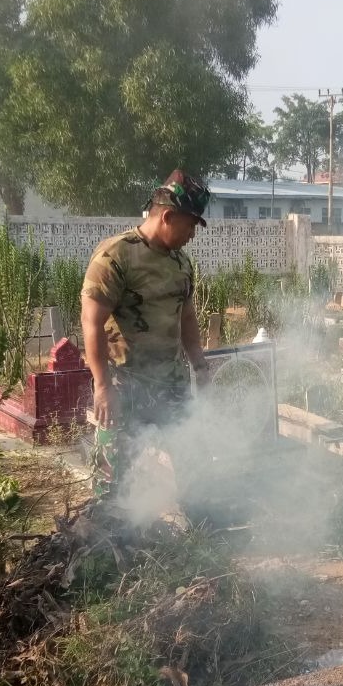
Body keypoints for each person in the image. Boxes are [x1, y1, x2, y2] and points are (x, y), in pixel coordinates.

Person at [80, 170, 212, 499]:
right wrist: (103, 386)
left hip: (171, 381)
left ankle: (200, 525)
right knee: (113, 476)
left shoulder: (181, 263)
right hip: (126, 384)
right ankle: (106, 534)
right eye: (191, 224)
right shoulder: (115, 258)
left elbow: (187, 315)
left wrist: (199, 363)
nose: (193, 234)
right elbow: (91, 323)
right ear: (167, 216)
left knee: (192, 454)